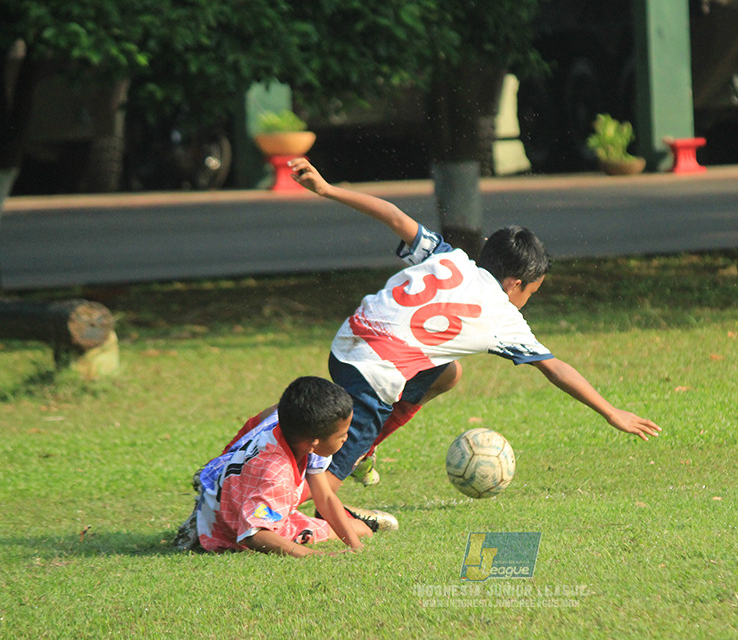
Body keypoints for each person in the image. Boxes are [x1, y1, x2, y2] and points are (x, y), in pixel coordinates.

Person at [288, 158, 662, 494]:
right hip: (375, 371)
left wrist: (327, 189)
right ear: (515, 283)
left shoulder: (449, 256)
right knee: (328, 477)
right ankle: (281, 509)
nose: (527, 300)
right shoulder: (503, 315)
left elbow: (395, 217)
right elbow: (556, 369)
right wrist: (611, 411)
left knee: (447, 373)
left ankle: (362, 446)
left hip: (349, 339)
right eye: (532, 291)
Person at [173, 376, 397, 557]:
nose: (346, 438)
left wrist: (355, 546)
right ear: (314, 443)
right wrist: (317, 557)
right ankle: (205, 526)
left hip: (232, 491)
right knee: (361, 529)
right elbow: (254, 534)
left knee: (360, 532)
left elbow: (325, 497)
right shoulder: (274, 472)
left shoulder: (295, 429)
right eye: (342, 434)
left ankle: (205, 514)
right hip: (233, 523)